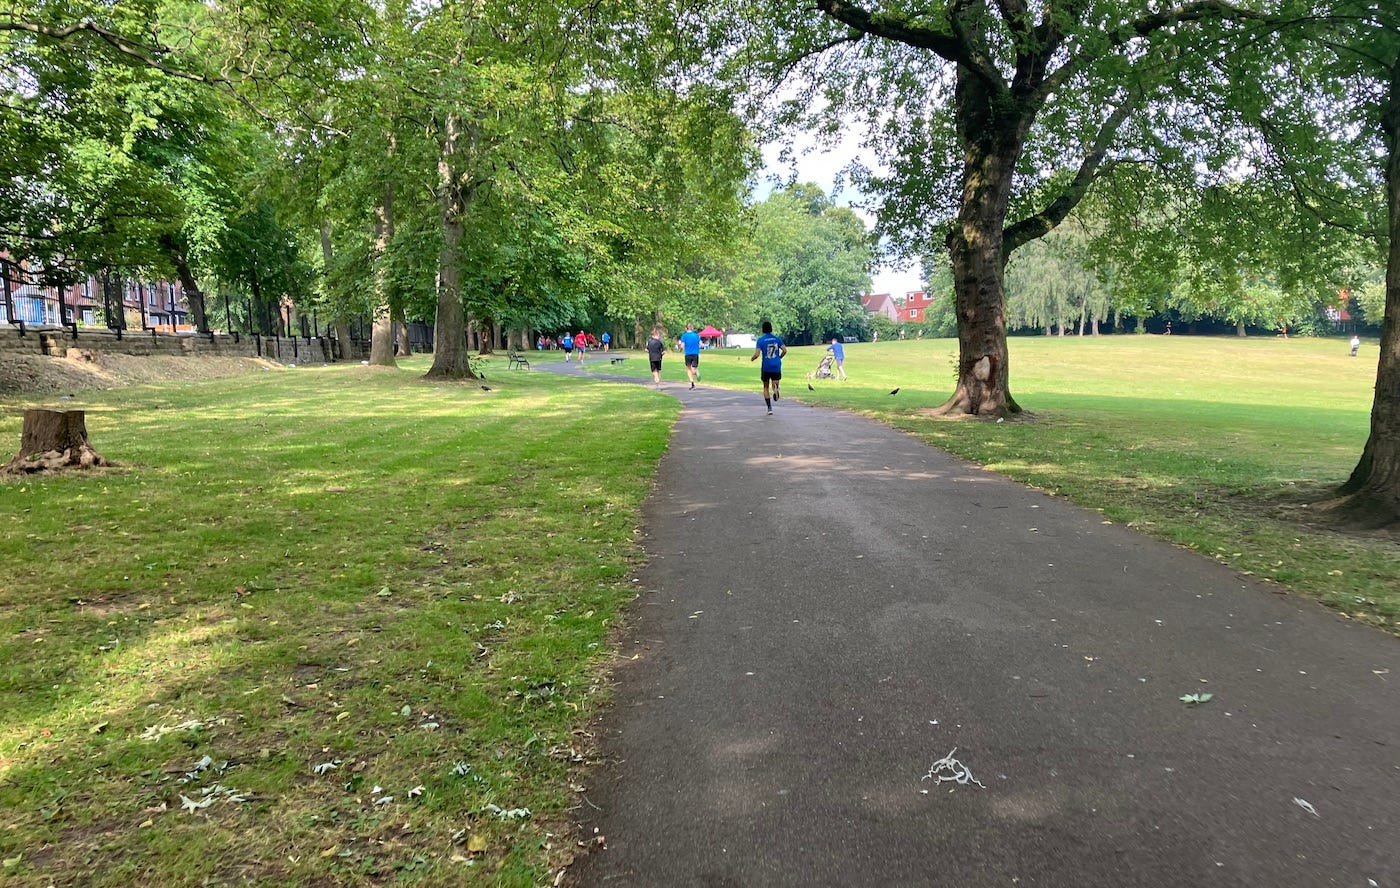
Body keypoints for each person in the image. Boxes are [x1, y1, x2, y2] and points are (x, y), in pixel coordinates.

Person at [751, 320, 787, 415]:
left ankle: (769, 408)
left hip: (766, 366)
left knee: (765, 387)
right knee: (775, 382)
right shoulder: (777, 338)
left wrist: (752, 358)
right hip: (776, 365)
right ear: (771, 328)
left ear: (763, 329)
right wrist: (779, 357)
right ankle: (776, 388)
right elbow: (784, 350)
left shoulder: (761, 340)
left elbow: (757, 354)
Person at [678, 322, 702, 389]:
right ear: (692, 328)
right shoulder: (696, 335)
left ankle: (692, 383)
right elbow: (701, 344)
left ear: (686, 328)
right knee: (693, 368)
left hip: (688, 354)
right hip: (695, 354)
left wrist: (680, 349)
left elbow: (682, 345)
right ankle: (695, 372)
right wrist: (697, 347)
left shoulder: (684, 335)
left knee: (688, 368)